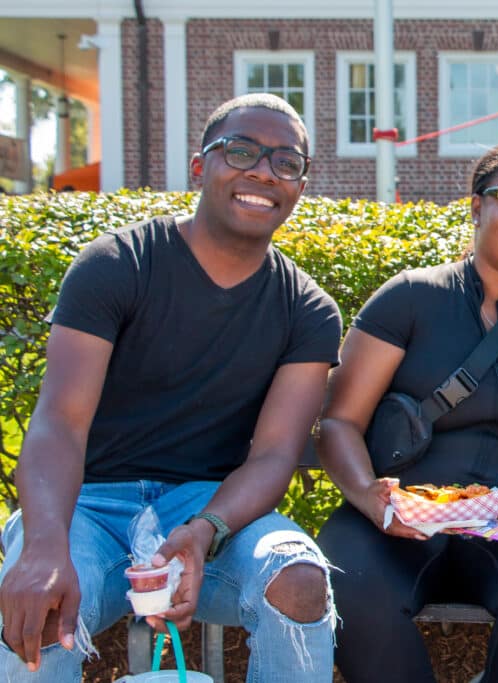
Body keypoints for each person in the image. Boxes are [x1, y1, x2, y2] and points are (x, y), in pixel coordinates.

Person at [0, 93, 342, 682]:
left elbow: (274, 454)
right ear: (199, 166)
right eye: (241, 151)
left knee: (300, 582)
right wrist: (44, 544)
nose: (264, 170)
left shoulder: (308, 310)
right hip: (87, 505)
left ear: (300, 187)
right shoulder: (116, 264)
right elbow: (59, 422)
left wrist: (207, 529)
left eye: (287, 162)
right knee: (39, 602)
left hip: (209, 508)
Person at [315, 140, 498, 682]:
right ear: (476, 207)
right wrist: (369, 496)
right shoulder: (410, 297)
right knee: (346, 579)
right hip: (397, 521)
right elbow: (340, 420)